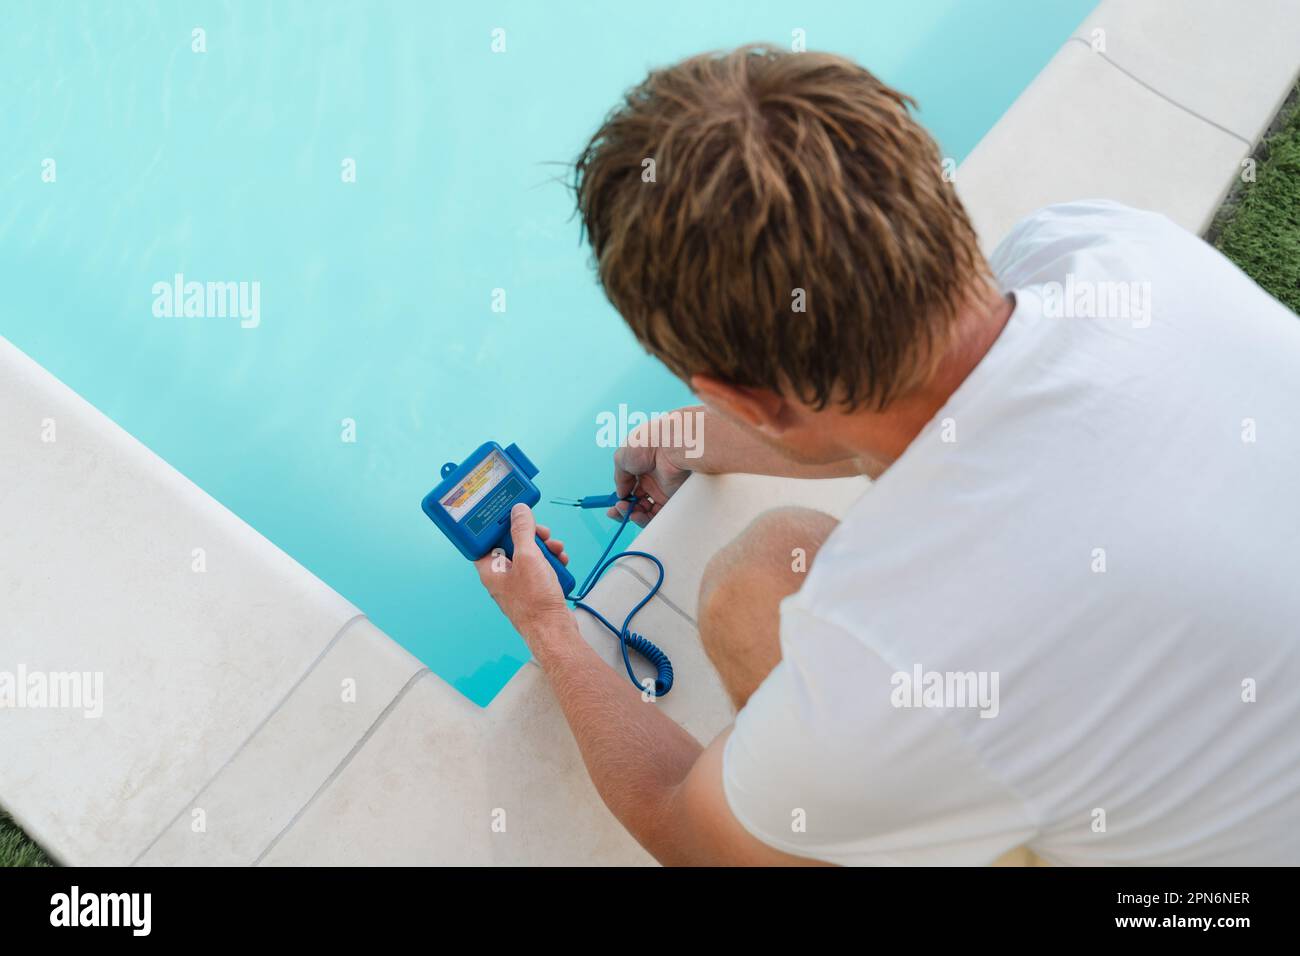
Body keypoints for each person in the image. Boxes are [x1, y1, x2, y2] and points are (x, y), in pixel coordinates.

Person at [475, 45, 1300, 865]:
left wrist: (550, 629)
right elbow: (934, 392)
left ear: (752, 399)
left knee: (746, 602)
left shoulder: (895, 646)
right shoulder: (1108, 251)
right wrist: (683, 435)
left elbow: (683, 827)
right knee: (765, 569)